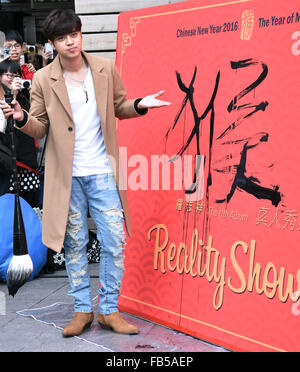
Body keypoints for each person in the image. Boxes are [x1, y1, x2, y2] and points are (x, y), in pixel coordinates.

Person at [0, 9, 170, 338]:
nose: (70, 42)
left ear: (81, 34)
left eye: (74, 35)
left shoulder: (104, 69)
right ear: (52, 42)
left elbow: (119, 105)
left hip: (103, 171)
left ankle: (108, 310)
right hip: (68, 175)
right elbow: (40, 125)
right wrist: (21, 117)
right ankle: (82, 309)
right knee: (74, 243)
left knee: (115, 241)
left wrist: (140, 104)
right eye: (62, 38)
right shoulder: (43, 79)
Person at [0, 59, 39, 206]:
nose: (12, 79)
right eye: (8, 75)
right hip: (6, 160)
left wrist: (32, 93)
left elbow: (36, 120)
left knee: (27, 204)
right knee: (7, 205)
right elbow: (5, 123)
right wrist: (12, 95)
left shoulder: (24, 95)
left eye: (16, 75)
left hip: (26, 157)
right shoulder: (3, 96)